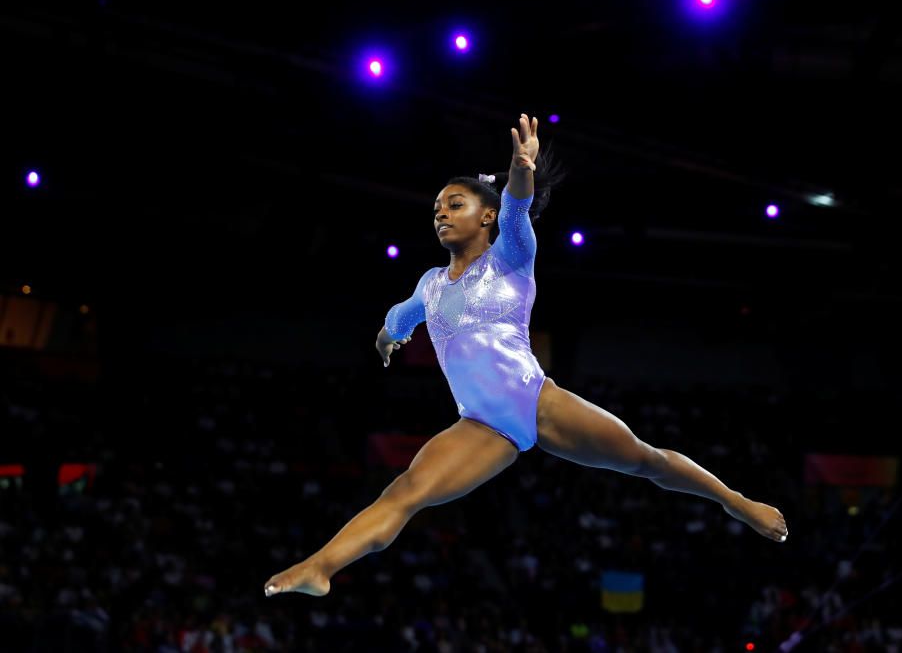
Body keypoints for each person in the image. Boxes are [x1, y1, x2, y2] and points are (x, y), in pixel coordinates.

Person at [264, 114, 788, 598]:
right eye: (437, 209)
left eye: (454, 204)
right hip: (482, 426)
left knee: (645, 460)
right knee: (405, 491)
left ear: (486, 215)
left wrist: (521, 170)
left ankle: (736, 502)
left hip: (538, 399)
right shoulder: (429, 284)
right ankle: (321, 566)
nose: (441, 214)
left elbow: (517, 204)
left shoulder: (511, 256)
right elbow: (400, 317)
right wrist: (386, 338)